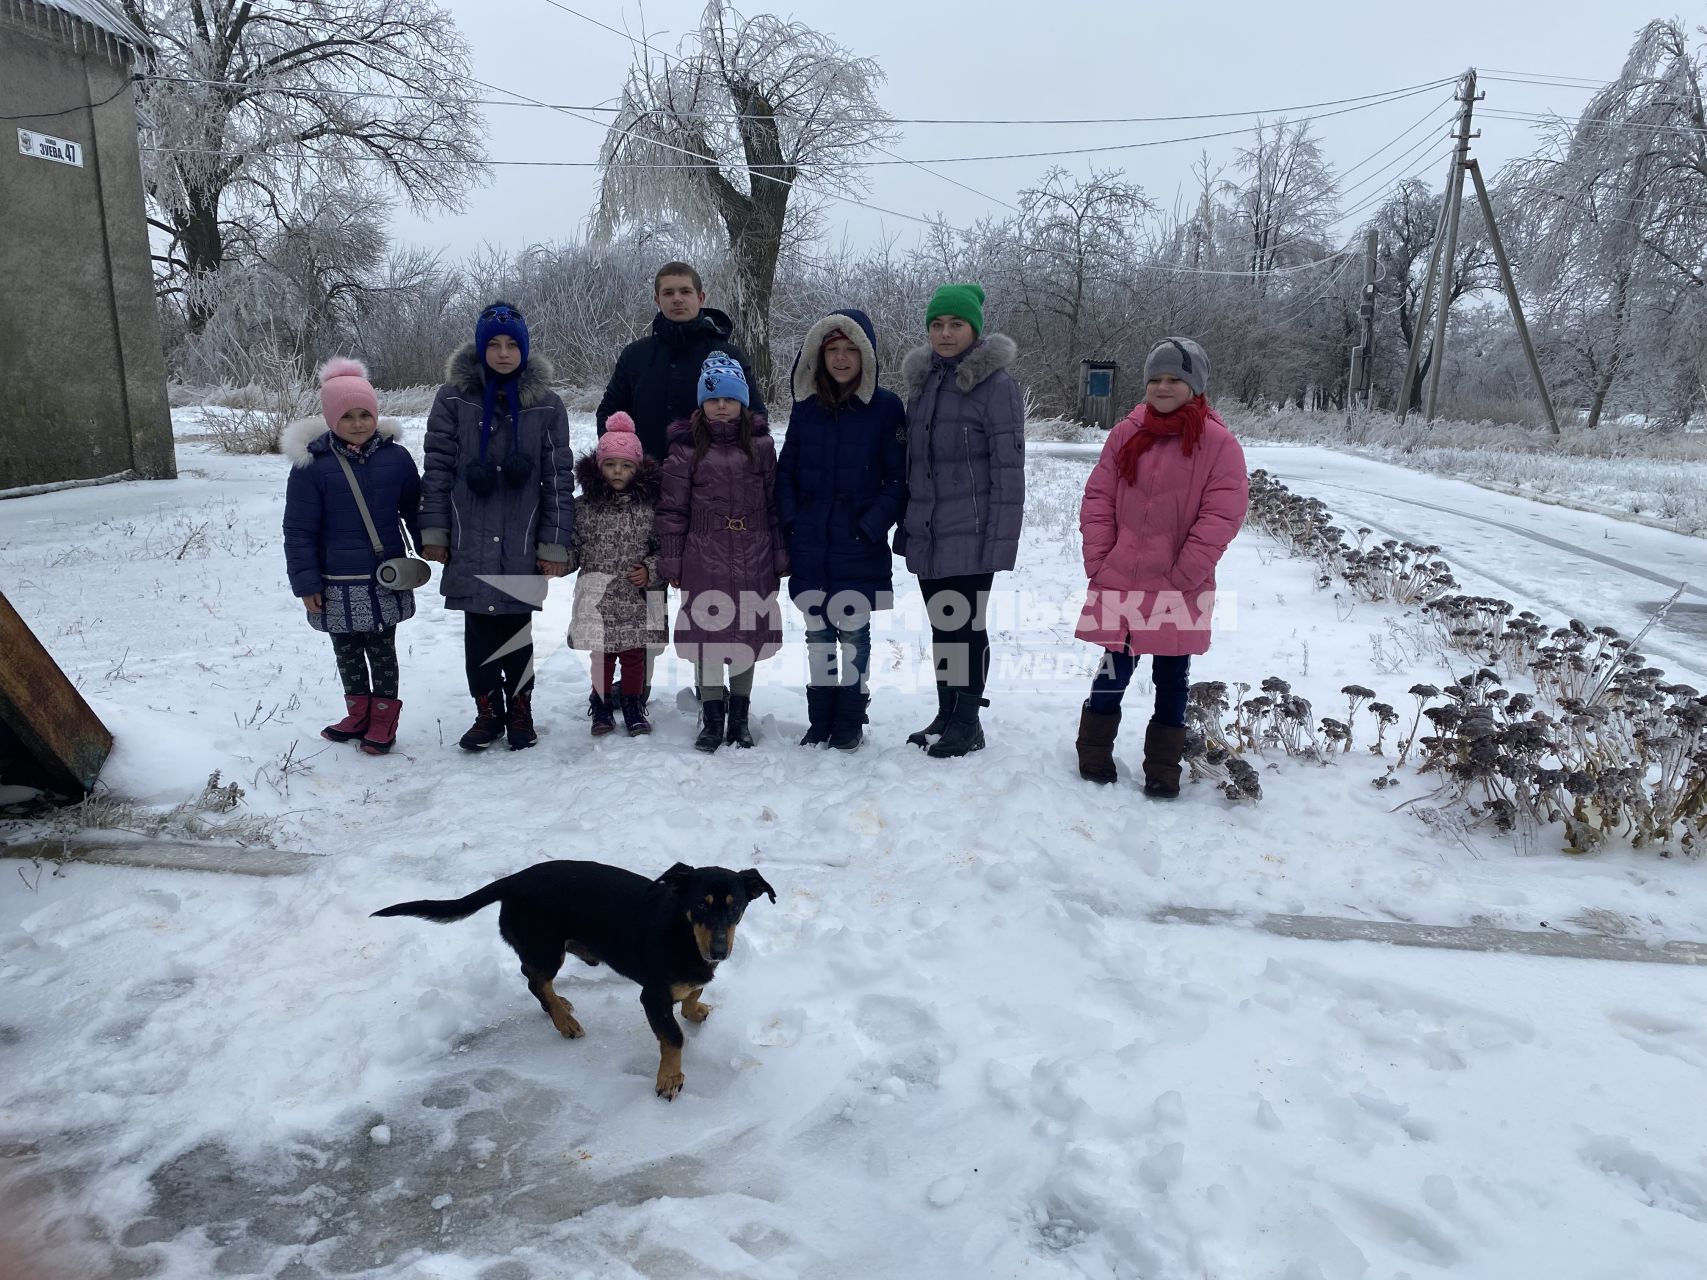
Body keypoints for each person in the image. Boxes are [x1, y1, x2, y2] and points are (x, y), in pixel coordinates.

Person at [1074, 337, 1249, 797]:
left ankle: (1162, 765)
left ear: (1195, 385)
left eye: (1175, 379)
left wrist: (1185, 572)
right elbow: (1098, 498)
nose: (1164, 387)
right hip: (1120, 575)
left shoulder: (1218, 444)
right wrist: (1099, 557)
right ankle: (1093, 750)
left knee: (1172, 676)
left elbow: (1222, 515)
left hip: (1180, 583)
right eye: (1156, 379)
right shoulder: (1126, 434)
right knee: (1114, 665)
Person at [596, 262, 767, 706]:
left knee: (709, 596)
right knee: (648, 593)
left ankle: (714, 690)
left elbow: (757, 422)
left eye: (685, 291)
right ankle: (640, 684)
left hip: (710, 501)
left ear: (701, 296)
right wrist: (627, 466)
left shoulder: (725, 354)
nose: (677, 299)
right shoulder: (636, 356)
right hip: (647, 494)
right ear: (657, 299)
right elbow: (609, 414)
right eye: (668, 292)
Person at [420, 301, 575, 752]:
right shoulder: (452, 398)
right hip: (469, 534)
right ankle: (487, 710)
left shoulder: (546, 405)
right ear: (480, 347)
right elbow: (438, 468)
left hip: (521, 539)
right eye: (494, 344)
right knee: (478, 629)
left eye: (512, 345)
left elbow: (557, 478)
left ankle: (520, 709)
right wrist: (435, 532)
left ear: (524, 350)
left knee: (516, 629)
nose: (503, 353)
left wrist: (553, 543)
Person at [896, 283, 1025, 758]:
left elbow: (1009, 471)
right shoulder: (925, 381)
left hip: (972, 531)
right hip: (929, 529)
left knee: (966, 626)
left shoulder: (996, 386)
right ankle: (947, 712)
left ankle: (968, 721)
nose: (945, 333)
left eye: (955, 324)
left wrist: (999, 541)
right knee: (942, 625)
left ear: (974, 329)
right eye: (937, 324)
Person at [776, 308, 907, 751]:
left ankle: (849, 718)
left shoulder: (885, 408)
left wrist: (870, 526)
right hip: (812, 541)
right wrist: (793, 521)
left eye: (851, 349)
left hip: (858, 543)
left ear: (866, 356)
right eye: (834, 349)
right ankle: (821, 718)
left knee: (852, 634)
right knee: (817, 634)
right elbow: (787, 471)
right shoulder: (806, 407)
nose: (842, 358)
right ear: (820, 354)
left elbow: (898, 480)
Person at [282, 358, 421, 755]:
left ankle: (383, 718)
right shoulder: (311, 466)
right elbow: (299, 529)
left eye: (366, 414)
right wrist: (306, 582)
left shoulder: (396, 459)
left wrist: (430, 543)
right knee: (346, 650)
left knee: (381, 649)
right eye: (347, 416)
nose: (358, 423)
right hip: (334, 581)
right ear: (330, 419)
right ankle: (358, 713)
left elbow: (414, 509)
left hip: (384, 576)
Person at [656, 354, 788, 753]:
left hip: (754, 553)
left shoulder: (762, 447)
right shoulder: (685, 449)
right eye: (713, 398)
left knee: (747, 634)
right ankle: (713, 717)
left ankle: (741, 718)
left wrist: (780, 554)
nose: (722, 405)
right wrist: (673, 558)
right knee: (709, 638)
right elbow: (672, 509)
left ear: (743, 401)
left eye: (729, 398)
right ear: (702, 404)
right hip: (703, 555)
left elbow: (774, 505)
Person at [567, 412, 663, 737]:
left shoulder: (650, 508)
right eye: (610, 465)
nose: (618, 471)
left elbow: (663, 549)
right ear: (598, 466)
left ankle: (634, 704)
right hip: (598, 597)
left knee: (635, 654)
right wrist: (555, 561)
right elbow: (573, 547)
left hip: (636, 598)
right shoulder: (584, 508)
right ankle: (602, 702)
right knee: (602, 654)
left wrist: (649, 570)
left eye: (625, 465)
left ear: (637, 469)